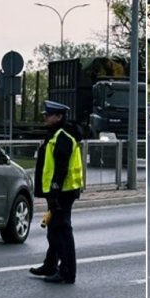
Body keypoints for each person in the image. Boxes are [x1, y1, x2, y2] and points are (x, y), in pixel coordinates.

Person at [29, 100, 85, 284]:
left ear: (59, 117)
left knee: (59, 231)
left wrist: (54, 193)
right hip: (60, 191)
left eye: (49, 114)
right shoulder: (56, 134)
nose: (45, 117)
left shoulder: (62, 136)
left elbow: (60, 168)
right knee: (56, 229)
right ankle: (51, 264)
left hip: (62, 191)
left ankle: (67, 271)